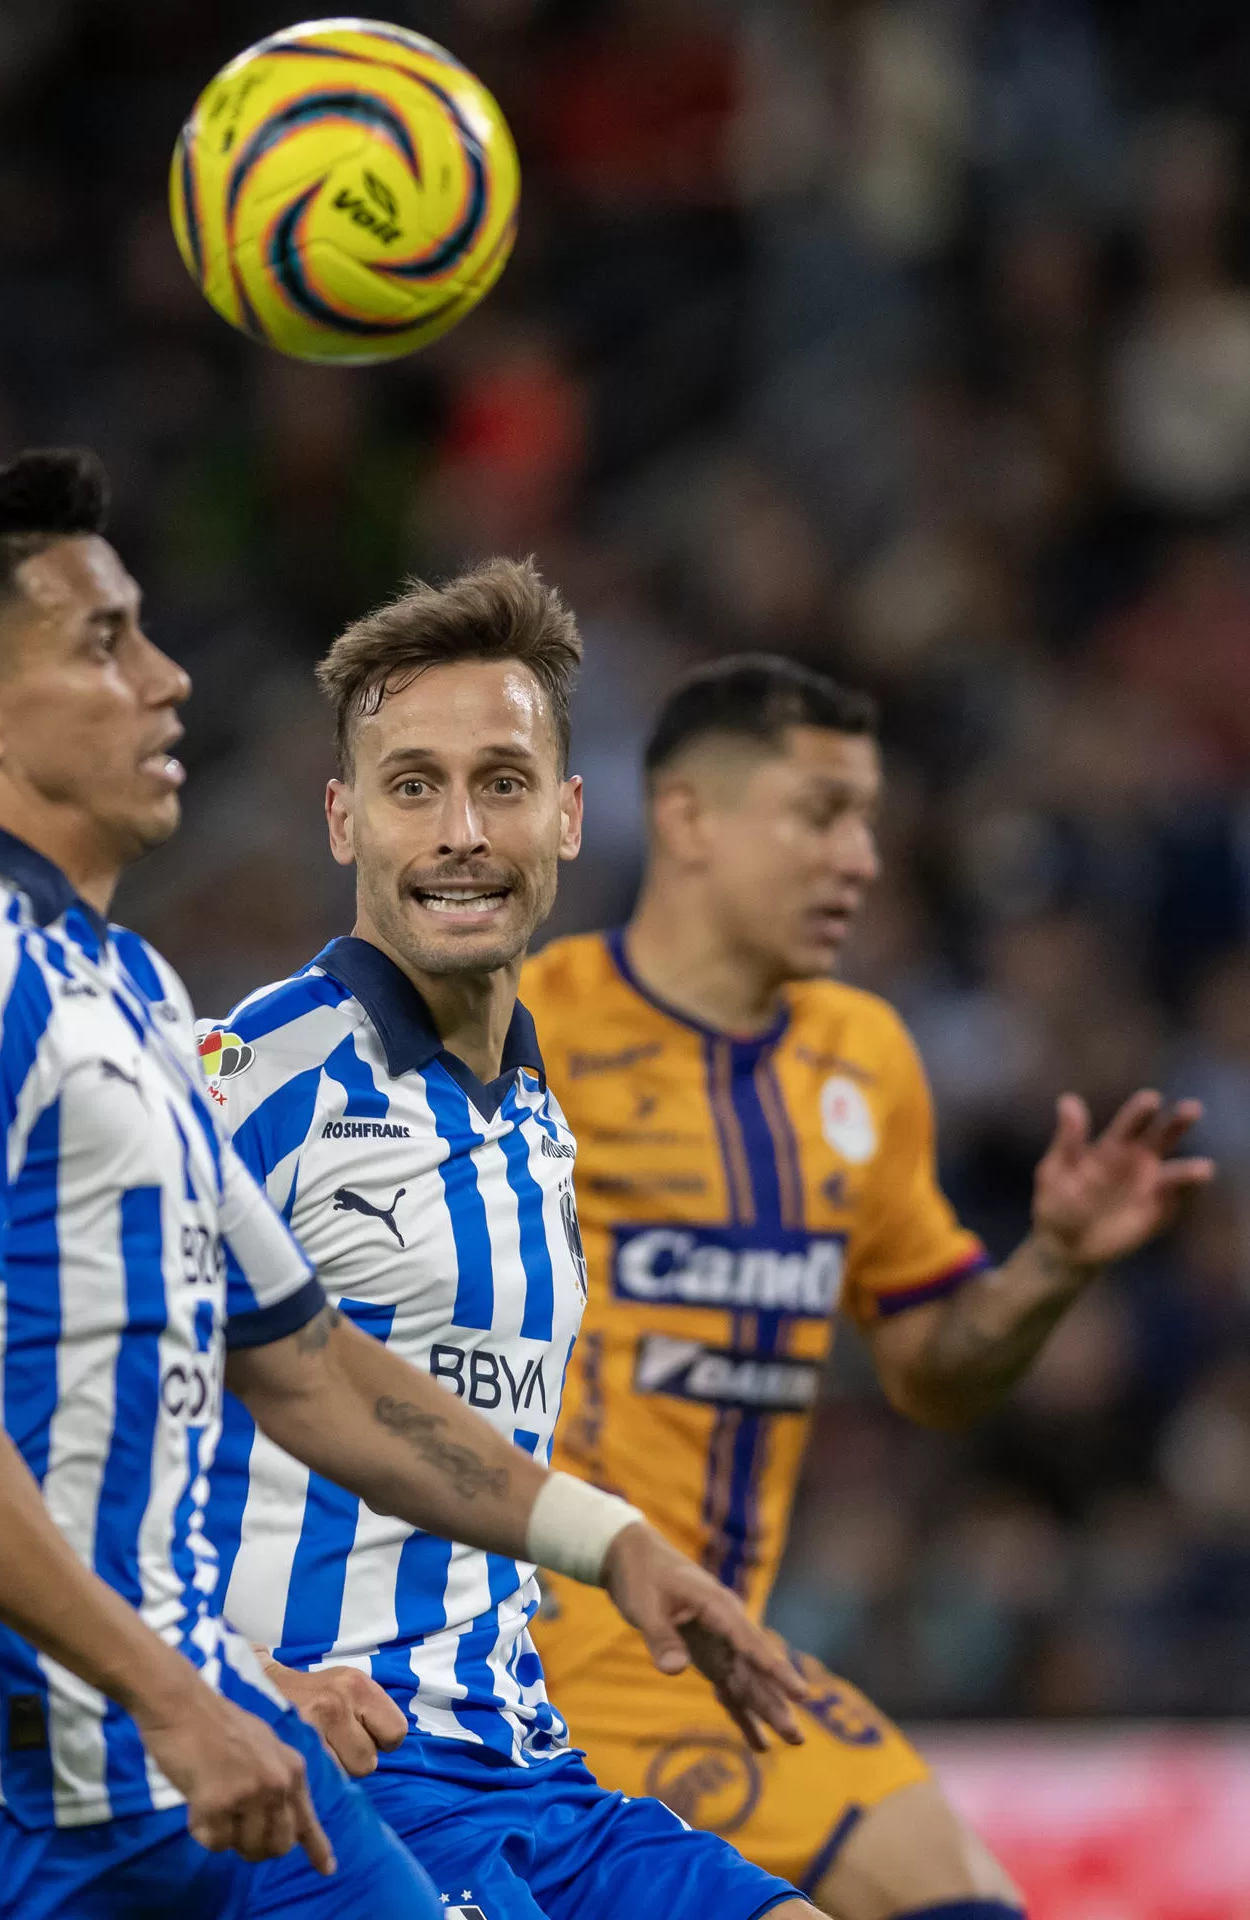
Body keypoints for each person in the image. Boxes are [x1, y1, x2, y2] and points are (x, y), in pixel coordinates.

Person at [0, 452, 806, 1920]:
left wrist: (611, 1543)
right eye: (105, 641)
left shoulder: (118, 990)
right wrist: (198, 1683)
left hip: (227, 1772)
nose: (170, 677)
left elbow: (309, 1363)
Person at [519, 655, 1216, 1920]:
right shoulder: (527, 1027)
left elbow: (934, 1375)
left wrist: (1052, 1264)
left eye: (868, 821)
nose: (860, 860)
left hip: (725, 1662)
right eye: (820, 813)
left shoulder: (863, 1057)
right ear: (687, 818)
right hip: (522, 1660)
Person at [200, 561, 825, 1920]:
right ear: (341, 820)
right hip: (332, 1788)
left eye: (500, 781)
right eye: (411, 786)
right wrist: (235, 1686)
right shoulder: (255, 1076)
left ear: (567, 813)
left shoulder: (537, 1120)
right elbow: (62, 1423)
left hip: (534, 1781)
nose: (460, 831)